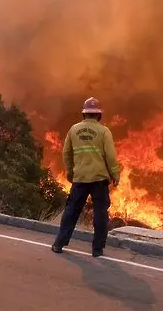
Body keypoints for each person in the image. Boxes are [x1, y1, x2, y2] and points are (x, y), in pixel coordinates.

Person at [51, 97, 120, 257]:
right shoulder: (104, 132)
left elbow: (66, 153)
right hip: (99, 179)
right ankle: (97, 250)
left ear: (84, 114)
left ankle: (59, 243)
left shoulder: (73, 130)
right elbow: (110, 156)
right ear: (99, 115)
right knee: (100, 213)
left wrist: (70, 172)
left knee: (71, 211)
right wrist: (115, 174)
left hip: (80, 177)